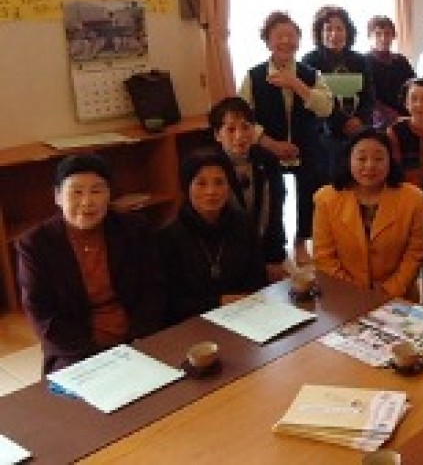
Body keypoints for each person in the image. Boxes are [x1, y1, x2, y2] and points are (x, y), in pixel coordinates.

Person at [16, 154, 165, 374]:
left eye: (96, 191)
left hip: (138, 337)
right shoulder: (36, 244)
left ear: (109, 194)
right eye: (76, 192)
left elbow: (153, 289)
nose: (87, 202)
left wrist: (138, 340)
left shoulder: (134, 229)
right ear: (57, 196)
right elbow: (41, 315)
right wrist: (96, 356)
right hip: (76, 349)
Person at [239, 11, 334, 265]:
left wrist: (296, 85)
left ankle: (301, 240)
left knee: (311, 186)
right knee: (273, 191)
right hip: (268, 145)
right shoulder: (254, 76)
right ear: (267, 41)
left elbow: (326, 107)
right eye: (278, 36)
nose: (285, 41)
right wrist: (270, 143)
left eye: (291, 36)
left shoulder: (310, 74)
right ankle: (274, 244)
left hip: (306, 144)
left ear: (299, 40)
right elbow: (243, 117)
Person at [312, 129, 423, 299]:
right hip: (344, 296)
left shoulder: (413, 198)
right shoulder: (326, 199)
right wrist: (358, 294)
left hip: (398, 297)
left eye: (379, 159)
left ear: (390, 161)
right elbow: (324, 257)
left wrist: (388, 292)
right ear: (349, 160)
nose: (370, 165)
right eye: (361, 158)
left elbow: (415, 253)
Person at [158, 149, 267, 325]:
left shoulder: (243, 224)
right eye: (201, 183)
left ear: (229, 186)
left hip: (246, 317)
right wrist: (218, 302)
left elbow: (258, 278)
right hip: (194, 325)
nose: (211, 191)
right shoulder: (167, 238)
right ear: (187, 187)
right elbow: (170, 302)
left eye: (219, 182)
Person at [208, 97, 287, 274]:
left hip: (265, 250)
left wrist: (275, 257)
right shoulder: (211, 167)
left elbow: (275, 212)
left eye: (245, 127)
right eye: (231, 129)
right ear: (217, 135)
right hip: (225, 258)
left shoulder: (268, 160)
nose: (240, 136)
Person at [302, 5, 376, 178]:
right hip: (325, 129)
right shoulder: (310, 61)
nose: (334, 34)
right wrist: (343, 122)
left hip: (359, 125)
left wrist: (359, 119)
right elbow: (313, 101)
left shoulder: (360, 60)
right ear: (320, 33)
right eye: (328, 29)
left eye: (339, 29)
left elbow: (369, 96)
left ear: (347, 32)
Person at [363, 15, 415, 128]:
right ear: (369, 36)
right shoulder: (364, 62)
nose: (383, 38)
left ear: (393, 36)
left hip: (406, 112)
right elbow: (368, 97)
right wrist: (394, 117)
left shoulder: (401, 60)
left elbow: (413, 87)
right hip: (379, 119)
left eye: (387, 34)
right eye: (378, 34)